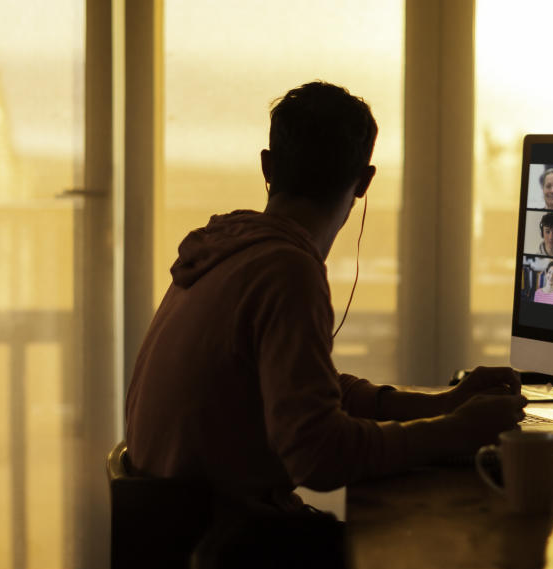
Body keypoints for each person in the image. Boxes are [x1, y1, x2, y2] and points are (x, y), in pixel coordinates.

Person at [124, 81, 525, 512]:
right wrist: (456, 431)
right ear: (364, 181)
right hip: (223, 554)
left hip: (167, 540)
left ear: (268, 167)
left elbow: (304, 388)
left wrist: (443, 404)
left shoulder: (223, 251)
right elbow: (319, 455)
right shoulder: (285, 271)